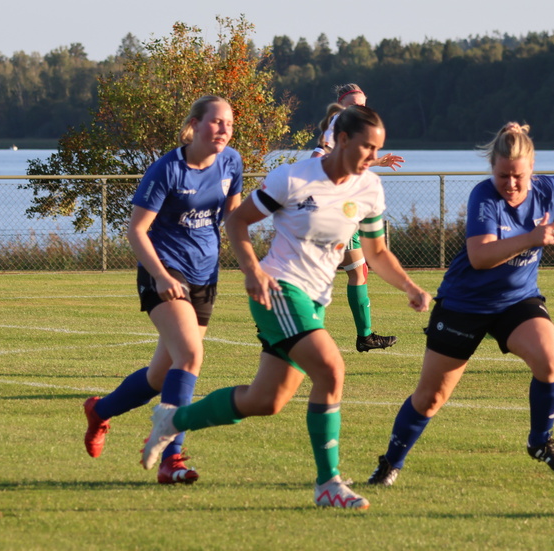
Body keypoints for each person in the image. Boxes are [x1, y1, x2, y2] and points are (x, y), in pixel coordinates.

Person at [141, 105, 432, 509]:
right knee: (332, 368)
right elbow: (237, 221)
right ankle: (328, 483)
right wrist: (250, 271)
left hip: (315, 300)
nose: (372, 156)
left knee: (266, 401)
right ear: (342, 139)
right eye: (367, 147)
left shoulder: (369, 188)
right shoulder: (294, 177)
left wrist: (409, 286)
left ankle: (173, 420)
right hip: (277, 289)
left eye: (378, 149)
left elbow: (377, 252)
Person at [367, 122, 554, 487]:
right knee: (430, 398)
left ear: (533, 170)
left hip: (516, 300)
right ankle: (389, 465)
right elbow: (480, 257)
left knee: (550, 360)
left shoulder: (552, 189)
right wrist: (531, 238)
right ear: (491, 168)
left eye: (518, 177)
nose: (510, 184)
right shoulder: (484, 196)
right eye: (503, 175)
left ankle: (540, 441)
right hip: (464, 304)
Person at [81, 95, 243, 485]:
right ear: (195, 124)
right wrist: (160, 275)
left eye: (229, 124)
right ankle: (173, 458)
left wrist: (256, 266)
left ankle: (100, 410)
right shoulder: (167, 169)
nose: (223, 129)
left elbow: (235, 220)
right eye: (216, 122)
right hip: (165, 272)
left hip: (206, 275)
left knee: (160, 375)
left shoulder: (231, 162)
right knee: (190, 356)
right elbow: (136, 231)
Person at [311, 83, 404, 352]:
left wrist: (377, 162)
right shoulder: (340, 122)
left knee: (352, 270)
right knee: (327, 272)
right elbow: (320, 155)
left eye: (363, 105)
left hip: (342, 206)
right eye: (354, 104)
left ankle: (363, 335)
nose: (360, 109)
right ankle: (359, 336)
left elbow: (342, 160)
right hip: (338, 208)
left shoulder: (350, 128)